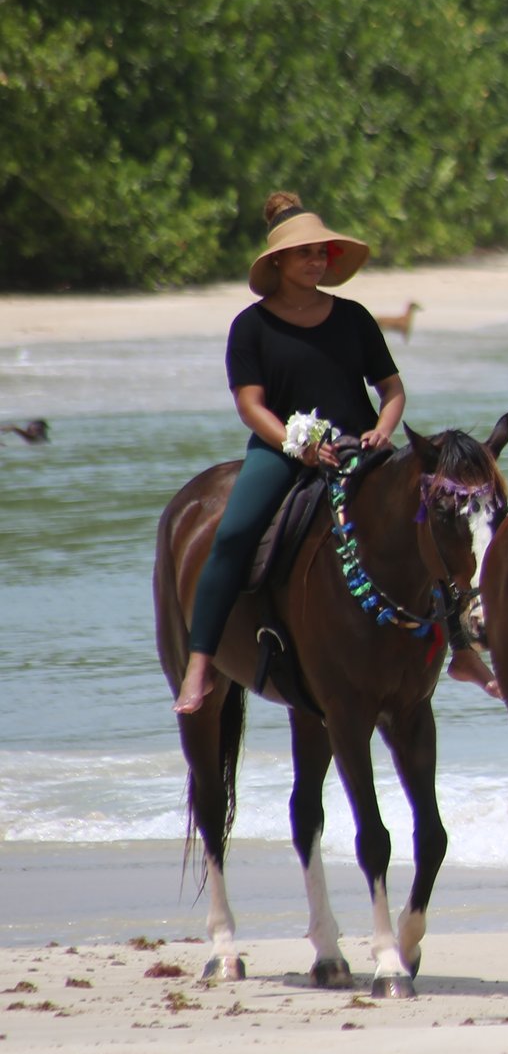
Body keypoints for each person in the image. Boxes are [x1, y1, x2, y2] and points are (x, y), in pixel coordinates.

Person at [178, 191, 444, 711]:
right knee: (232, 534)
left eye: (323, 253)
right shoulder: (250, 328)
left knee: (432, 517)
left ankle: (458, 648)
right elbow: (250, 405)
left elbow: (391, 389)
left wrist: (384, 430)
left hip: (360, 448)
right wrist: (294, 446)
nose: (317, 261)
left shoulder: (354, 318)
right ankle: (200, 662)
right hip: (282, 450)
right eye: (306, 253)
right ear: (278, 261)